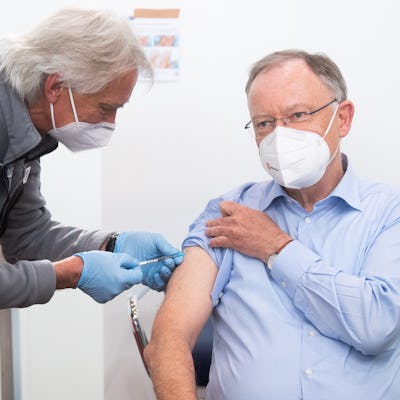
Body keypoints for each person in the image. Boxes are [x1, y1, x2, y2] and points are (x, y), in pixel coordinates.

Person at [144, 50, 400, 399]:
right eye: (264, 123)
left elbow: (377, 326)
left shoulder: (389, 213)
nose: (280, 135)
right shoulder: (228, 214)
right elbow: (169, 338)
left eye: (297, 115)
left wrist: (277, 247)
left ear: (343, 118)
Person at [0, 7, 183, 309]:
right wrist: (70, 272)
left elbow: (27, 236)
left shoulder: (30, 133)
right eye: (104, 107)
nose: (110, 123)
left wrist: (110, 244)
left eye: (117, 110)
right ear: (55, 87)